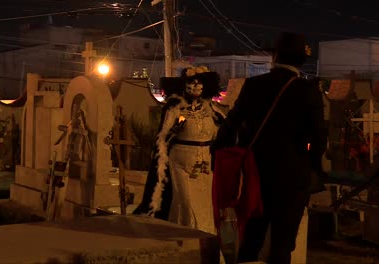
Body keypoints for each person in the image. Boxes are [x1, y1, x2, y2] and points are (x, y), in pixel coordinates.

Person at [212, 32, 327, 263]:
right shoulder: (308, 91)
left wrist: (220, 155)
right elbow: (318, 139)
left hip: (255, 172)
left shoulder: (254, 85)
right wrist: (313, 167)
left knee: (252, 236)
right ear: (302, 60)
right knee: (282, 244)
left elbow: (230, 123)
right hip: (293, 177)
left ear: (275, 57)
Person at [133, 66, 225, 234]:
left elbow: (224, 131)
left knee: (203, 203)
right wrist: (176, 129)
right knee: (185, 202)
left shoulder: (211, 109)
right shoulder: (175, 108)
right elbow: (162, 138)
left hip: (204, 164)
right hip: (180, 163)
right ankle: (184, 234)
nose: (195, 87)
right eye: (191, 83)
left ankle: (205, 239)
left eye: (199, 84)